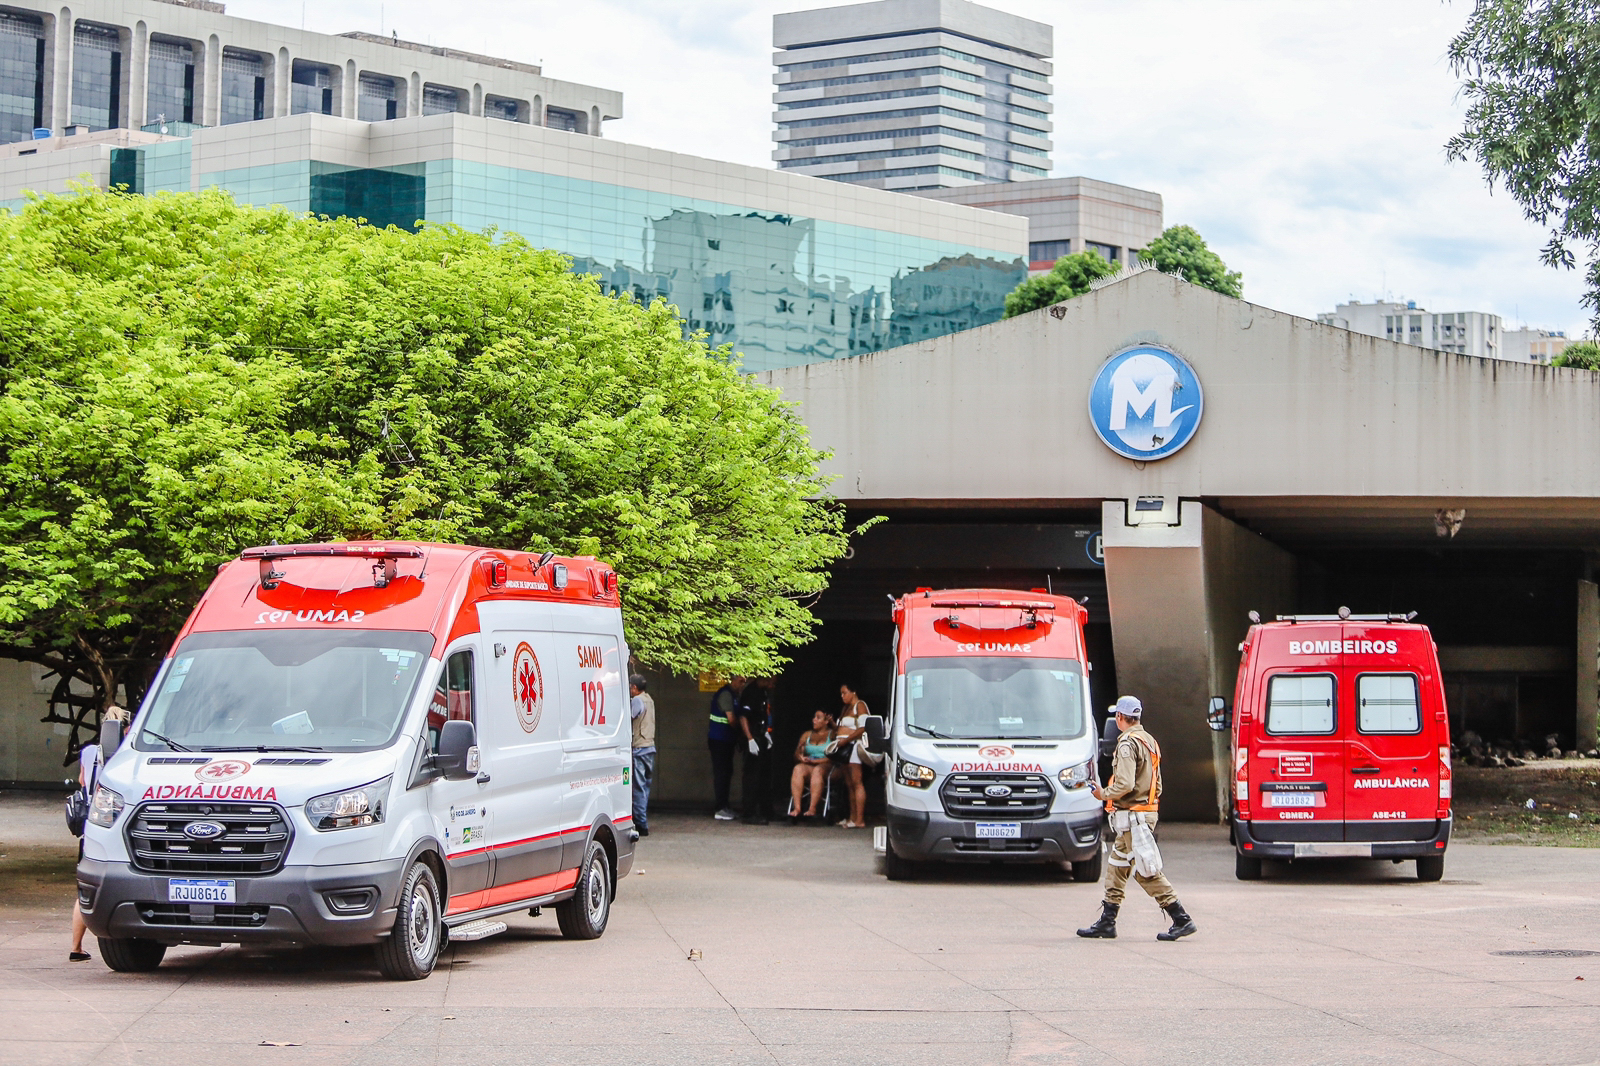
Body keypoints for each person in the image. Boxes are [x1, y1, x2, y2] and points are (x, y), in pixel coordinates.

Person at [1077, 695, 1197, 942]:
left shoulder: (1127, 744)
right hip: (1141, 814)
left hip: (1134, 817)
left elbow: (1125, 784)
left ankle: (1181, 918)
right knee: (1117, 867)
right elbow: (1157, 785)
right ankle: (1107, 922)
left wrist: (1102, 794)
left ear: (1119, 717)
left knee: (1145, 870)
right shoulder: (1149, 741)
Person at [70, 706, 127, 962]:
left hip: (91, 822)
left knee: (85, 887)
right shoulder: (125, 755)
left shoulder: (88, 752)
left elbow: (83, 782)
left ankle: (76, 946)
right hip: (110, 821)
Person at [707, 676, 746, 821]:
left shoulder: (733, 695)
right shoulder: (725, 694)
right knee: (722, 774)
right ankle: (720, 808)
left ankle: (725, 806)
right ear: (733, 680)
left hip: (726, 739)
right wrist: (742, 732)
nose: (743, 684)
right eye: (741, 681)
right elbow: (731, 719)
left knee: (726, 773)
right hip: (719, 739)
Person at [833, 683, 872, 829]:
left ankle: (859, 819)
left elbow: (864, 727)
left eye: (845, 693)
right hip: (843, 747)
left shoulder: (859, 706)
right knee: (849, 784)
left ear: (853, 692)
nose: (842, 696)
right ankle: (852, 817)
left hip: (853, 745)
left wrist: (847, 739)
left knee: (856, 782)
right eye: (841, 694)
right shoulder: (846, 708)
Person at [788, 709, 836, 824]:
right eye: (814, 717)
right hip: (810, 764)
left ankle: (812, 808)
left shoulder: (832, 734)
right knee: (798, 769)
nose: (814, 720)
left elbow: (834, 757)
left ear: (826, 721)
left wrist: (817, 761)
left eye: (818, 718)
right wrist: (800, 756)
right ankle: (797, 808)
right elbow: (796, 753)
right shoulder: (807, 734)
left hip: (826, 765)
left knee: (817, 770)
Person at [738, 677, 775, 824]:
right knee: (752, 776)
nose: (772, 685)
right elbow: (743, 717)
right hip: (752, 736)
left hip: (761, 734)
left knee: (764, 776)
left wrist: (765, 732)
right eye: (772, 682)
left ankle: (766, 810)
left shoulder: (763, 692)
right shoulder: (750, 693)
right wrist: (750, 739)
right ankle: (749, 813)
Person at [629, 675, 655, 838]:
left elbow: (629, 717)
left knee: (638, 788)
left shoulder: (637, 701)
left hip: (639, 748)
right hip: (649, 747)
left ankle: (641, 824)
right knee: (645, 787)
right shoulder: (649, 699)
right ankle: (641, 819)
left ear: (634, 687)